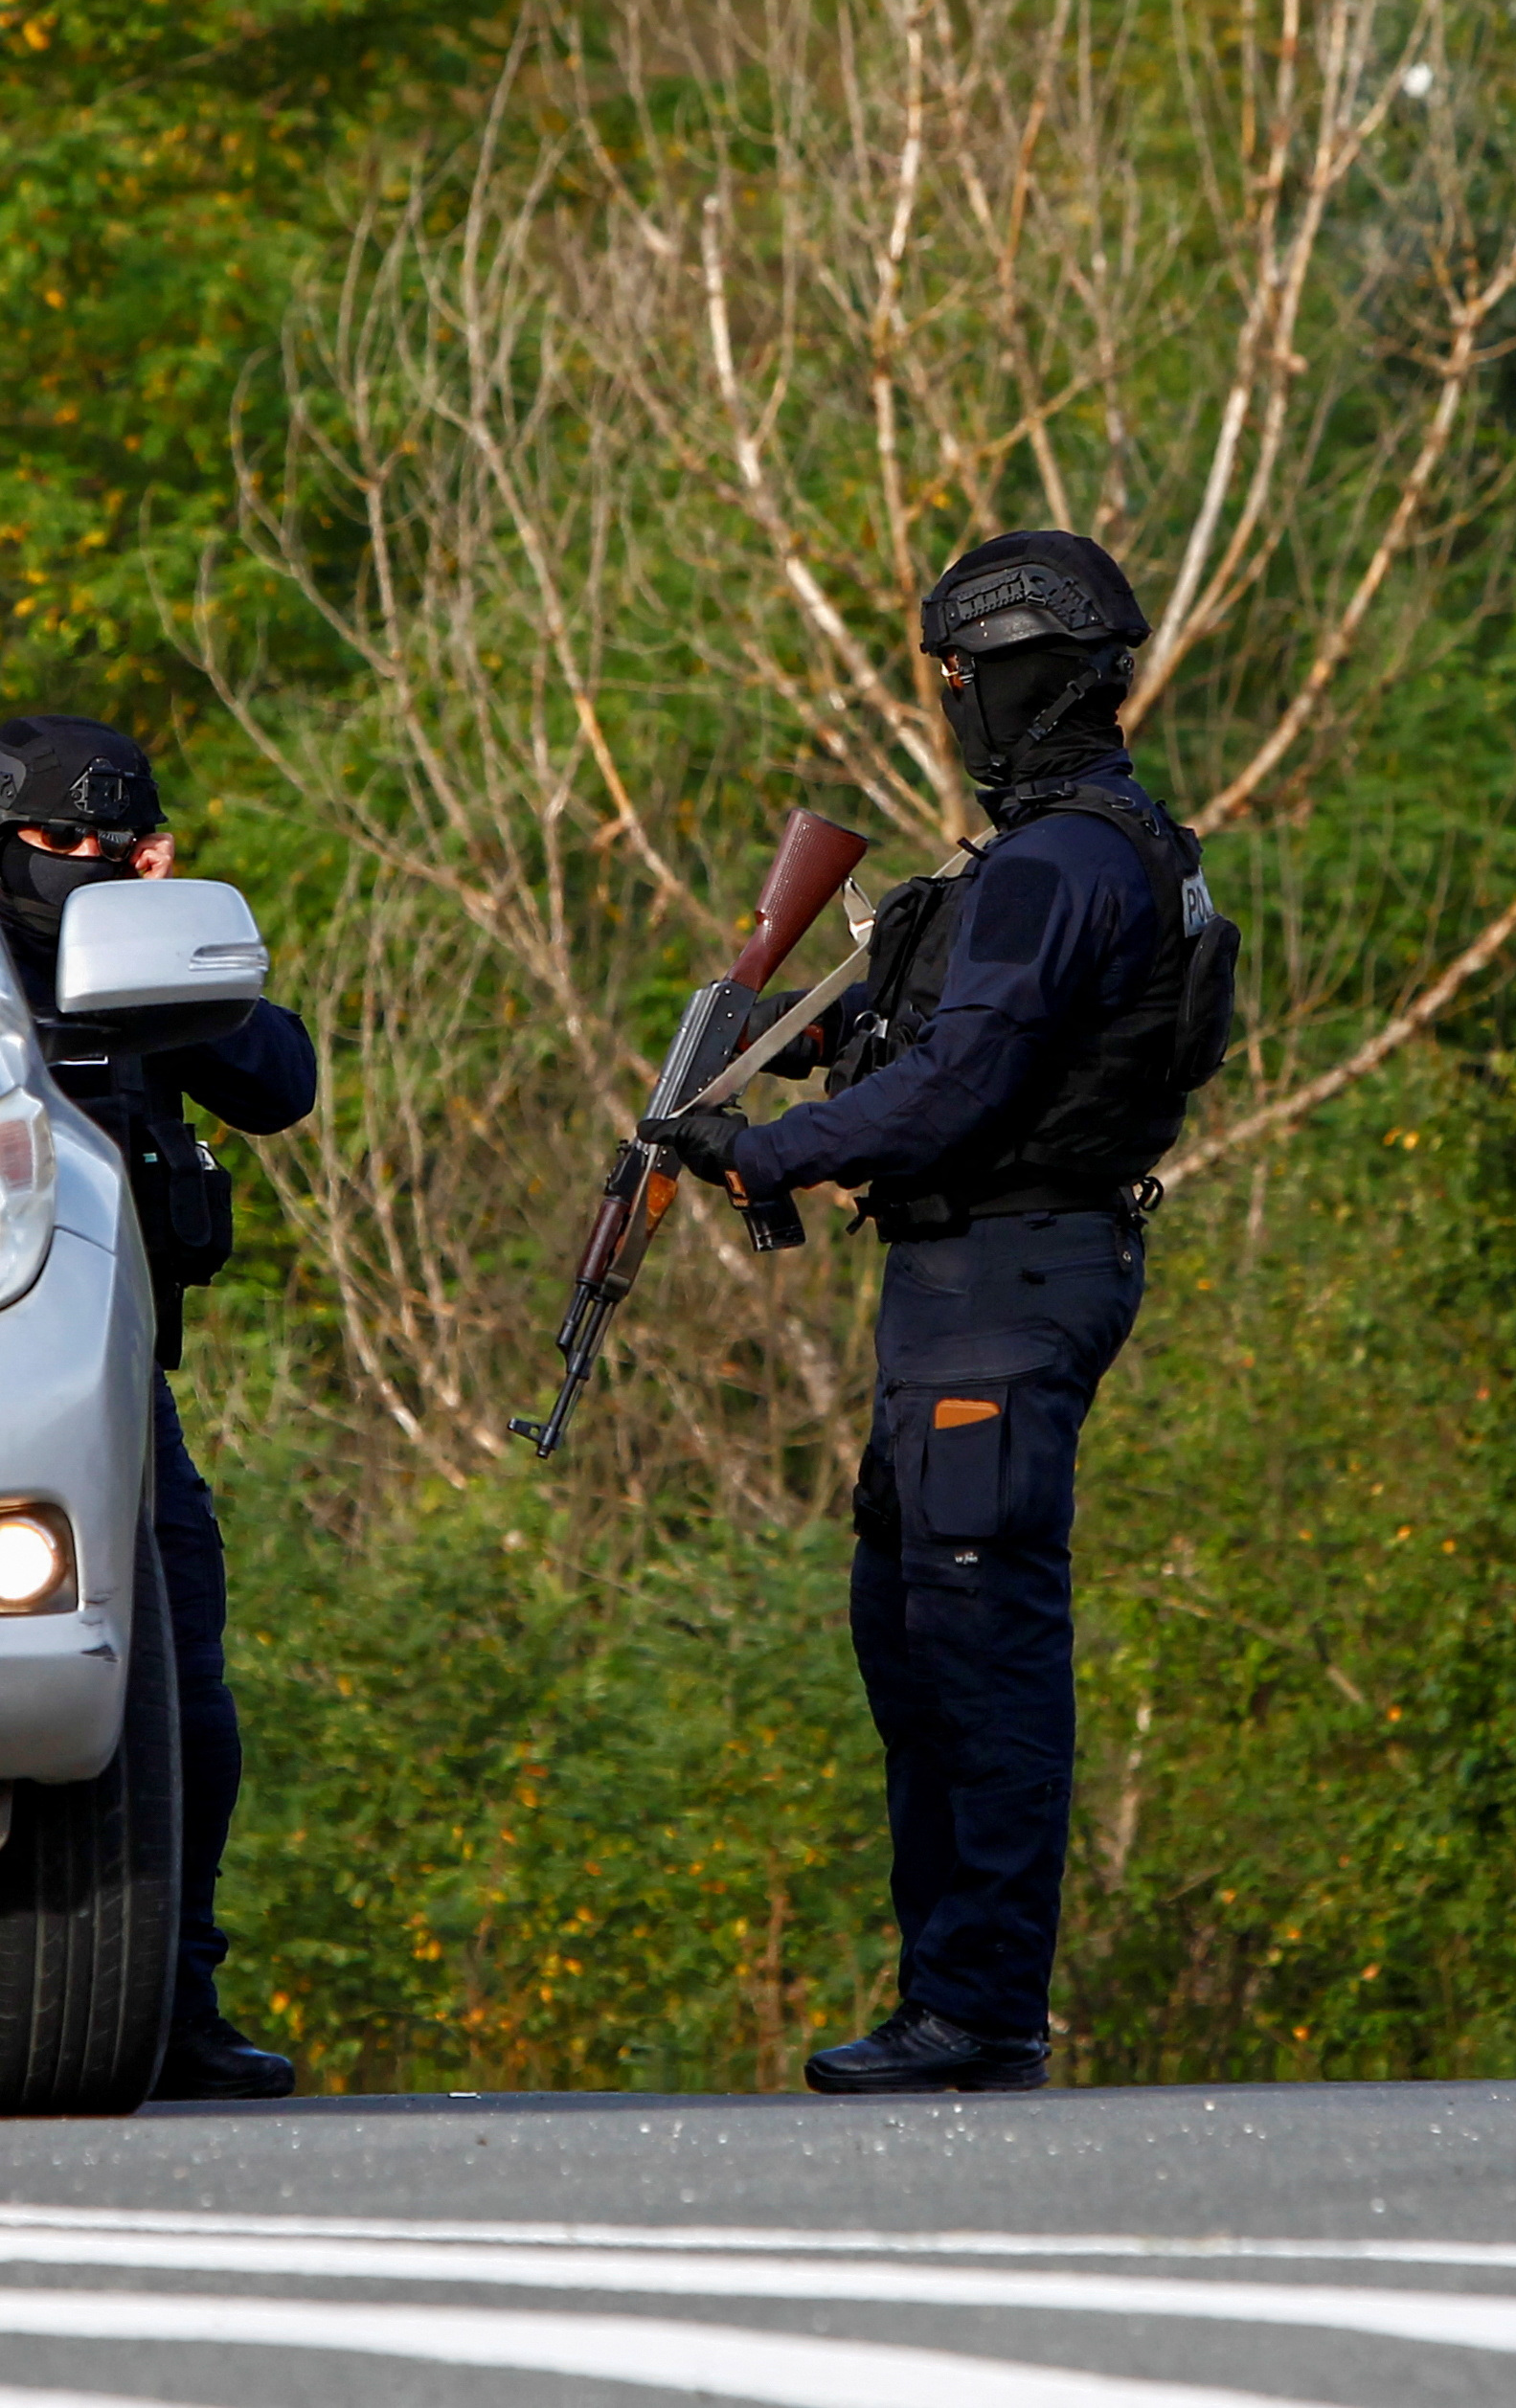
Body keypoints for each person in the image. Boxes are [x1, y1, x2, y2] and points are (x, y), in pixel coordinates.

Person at [645, 529, 1228, 2094]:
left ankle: (976, 2013)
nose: (955, 706)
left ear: (1021, 677)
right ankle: (948, 2000)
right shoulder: (1099, 847)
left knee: (977, 1646)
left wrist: (762, 1147)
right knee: (914, 1637)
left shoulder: (1060, 863)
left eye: (963, 677)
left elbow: (964, 1087)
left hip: (1006, 1282)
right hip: (979, 1284)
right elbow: (944, 1046)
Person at [0, 712, 318, 2108]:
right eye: (65, 848)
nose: (94, 869)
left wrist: (154, 933)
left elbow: (279, 1082)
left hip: (109, 1397)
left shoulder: (141, 967)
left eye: (122, 848)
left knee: (189, 1709)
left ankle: (176, 1997)